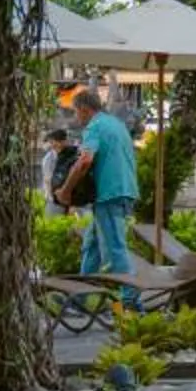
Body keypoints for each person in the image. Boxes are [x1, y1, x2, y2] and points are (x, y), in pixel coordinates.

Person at [57, 86, 139, 277]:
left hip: (110, 193)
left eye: (76, 112)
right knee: (91, 245)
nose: (77, 118)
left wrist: (66, 190)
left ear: (84, 109)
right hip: (123, 189)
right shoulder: (116, 124)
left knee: (115, 250)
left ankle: (132, 302)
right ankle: (82, 297)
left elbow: (85, 161)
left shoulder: (94, 126)